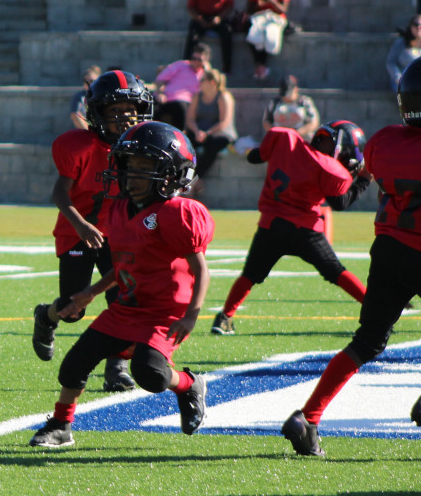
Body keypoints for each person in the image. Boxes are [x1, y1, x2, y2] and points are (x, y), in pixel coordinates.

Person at [28, 122, 214, 449]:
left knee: (150, 373)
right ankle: (61, 424)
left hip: (163, 313)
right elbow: (126, 265)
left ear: (172, 173)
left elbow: (202, 270)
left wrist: (191, 316)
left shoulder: (177, 212)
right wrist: (92, 292)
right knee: (75, 363)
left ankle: (189, 385)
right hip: (127, 306)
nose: (134, 174)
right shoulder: (119, 208)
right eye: (130, 165)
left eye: (145, 167)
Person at [280, 58, 421, 457]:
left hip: (389, 250)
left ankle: (308, 418)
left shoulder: (384, 141)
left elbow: (366, 176)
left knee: (367, 341)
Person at [32, 70, 154, 393]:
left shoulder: (141, 148)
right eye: (115, 112)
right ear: (97, 114)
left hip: (118, 235)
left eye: (131, 110)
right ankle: (46, 317)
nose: (125, 118)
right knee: (73, 310)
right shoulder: (79, 146)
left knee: (126, 303)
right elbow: (59, 193)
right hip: (78, 231)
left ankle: (117, 367)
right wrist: (81, 225)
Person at [211, 121, 370, 337]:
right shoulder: (330, 169)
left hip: (272, 224)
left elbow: (254, 157)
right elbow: (340, 203)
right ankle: (374, 307)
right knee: (335, 270)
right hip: (305, 229)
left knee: (250, 274)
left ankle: (224, 317)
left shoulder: (287, 141)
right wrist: (362, 181)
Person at [184, 66, 237, 193]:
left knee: (212, 147)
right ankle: (190, 179)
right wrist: (197, 131)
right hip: (200, 132)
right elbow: (190, 119)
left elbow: (224, 122)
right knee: (187, 146)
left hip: (219, 134)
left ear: (212, 82)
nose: (200, 82)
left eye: (202, 80)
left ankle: (195, 179)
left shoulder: (223, 96)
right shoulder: (198, 96)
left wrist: (207, 133)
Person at [185, 0, 236, 75]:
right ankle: (187, 65)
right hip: (201, 18)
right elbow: (191, 7)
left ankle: (226, 68)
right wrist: (200, 19)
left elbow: (230, 5)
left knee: (227, 32)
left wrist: (219, 18)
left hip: (219, 18)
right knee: (193, 34)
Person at [245, 0, 289, 82]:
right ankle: (259, 64)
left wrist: (272, 1)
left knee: (269, 32)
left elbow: (283, 9)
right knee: (253, 32)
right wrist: (259, 5)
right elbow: (249, 8)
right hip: (259, 17)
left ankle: (261, 65)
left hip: (276, 18)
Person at [153, 44, 210, 131]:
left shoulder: (205, 74)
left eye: (199, 60)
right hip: (166, 97)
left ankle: (181, 136)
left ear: (205, 61)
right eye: (194, 58)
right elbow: (160, 80)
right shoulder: (181, 65)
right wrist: (160, 93)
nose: (195, 62)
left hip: (183, 102)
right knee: (152, 107)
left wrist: (206, 70)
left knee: (180, 108)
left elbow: (209, 88)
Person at [263, 75, 320, 141]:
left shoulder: (304, 102)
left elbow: (314, 122)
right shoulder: (274, 103)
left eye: (289, 94)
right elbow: (266, 122)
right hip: (280, 139)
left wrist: (296, 133)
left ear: (296, 89)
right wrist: (277, 133)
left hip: (301, 139)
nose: (286, 97)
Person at [386, 15, 421, 90]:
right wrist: (397, 77)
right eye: (416, 24)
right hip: (403, 80)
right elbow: (391, 62)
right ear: (411, 26)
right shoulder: (401, 42)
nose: (419, 27)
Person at [69, 65, 103, 130]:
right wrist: (90, 131)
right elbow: (75, 115)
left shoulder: (103, 96)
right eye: (85, 81)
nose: (88, 84)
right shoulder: (80, 97)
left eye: (91, 81)